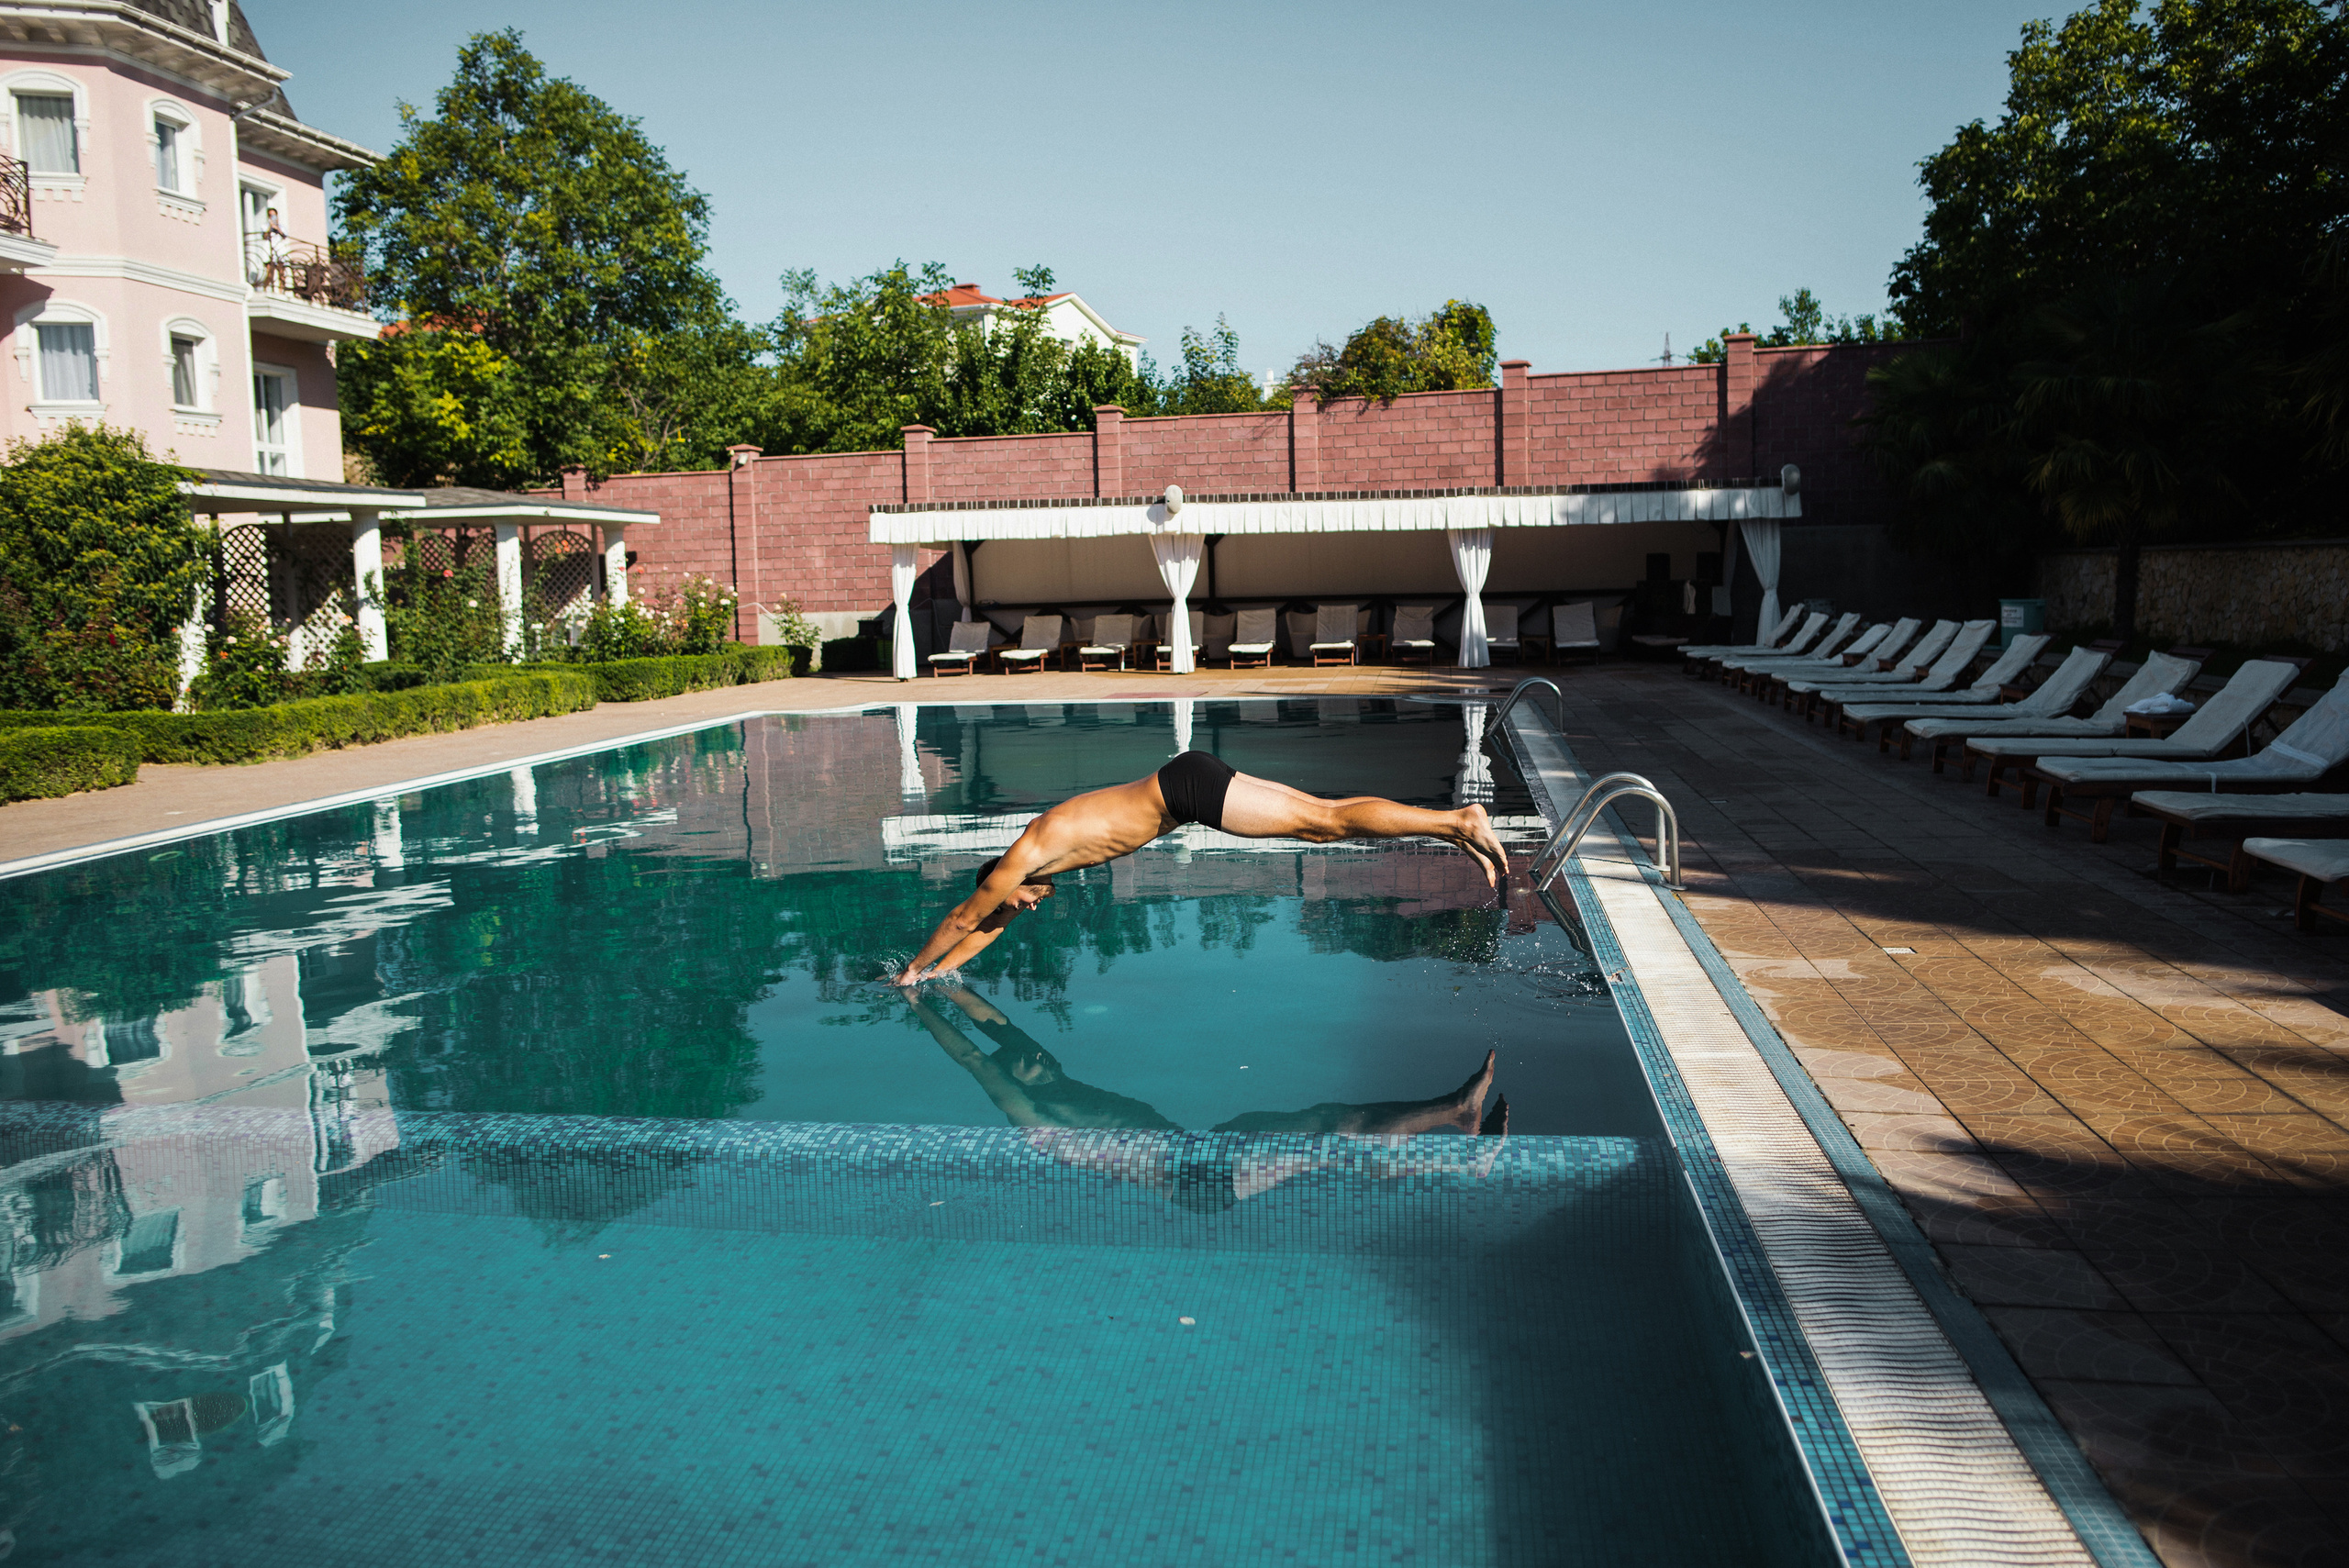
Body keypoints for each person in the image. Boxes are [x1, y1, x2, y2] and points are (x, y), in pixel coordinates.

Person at [887, 750, 1509, 984]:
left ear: (1001, 884)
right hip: (1184, 784)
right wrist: (936, 975)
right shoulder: (1033, 867)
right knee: (1326, 817)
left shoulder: (1022, 858)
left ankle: (1458, 822)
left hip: (1183, 792)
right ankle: (1453, 826)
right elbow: (986, 927)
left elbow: (965, 917)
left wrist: (911, 968)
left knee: (1327, 822)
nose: (1024, 909)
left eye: (1011, 902)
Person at [904, 985, 1509, 1211]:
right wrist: (918, 1008)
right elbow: (973, 1056)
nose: (1038, 1054)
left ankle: (1455, 1119)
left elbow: (999, 1030)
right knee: (1334, 1131)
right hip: (1199, 1177)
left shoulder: (1045, 1079)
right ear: (1013, 1080)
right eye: (1027, 1062)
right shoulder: (1032, 1114)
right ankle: (1459, 1140)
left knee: (1334, 1125)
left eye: (1036, 1052)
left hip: (1201, 1148)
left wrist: (943, 981)